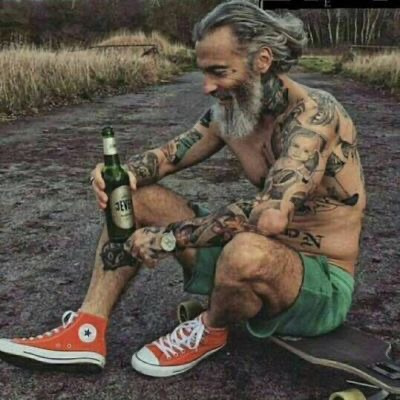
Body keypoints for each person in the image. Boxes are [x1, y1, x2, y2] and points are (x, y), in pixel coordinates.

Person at [0, 0, 365, 378]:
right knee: (134, 197)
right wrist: (119, 175)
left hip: (318, 283)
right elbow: (166, 158)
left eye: (219, 72)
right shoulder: (230, 111)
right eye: (203, 72)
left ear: (262, 61)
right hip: (249, 255)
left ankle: (210, 329)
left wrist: (169, 238)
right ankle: (87, 331)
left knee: (246, 251)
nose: (207, 87)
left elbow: (270, 218)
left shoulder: (314, 117)